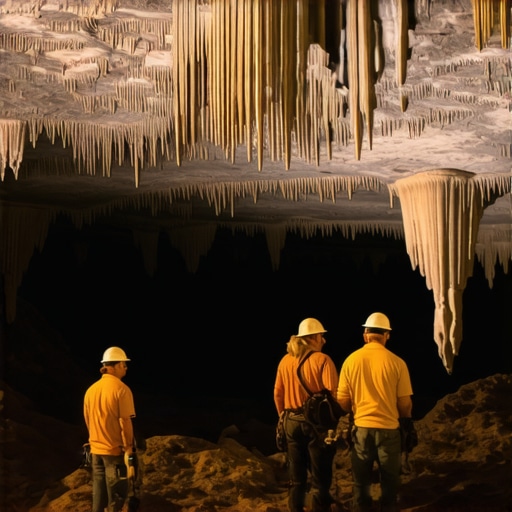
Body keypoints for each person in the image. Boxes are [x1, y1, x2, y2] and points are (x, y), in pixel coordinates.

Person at [337, 312, 414, 512]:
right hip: (389, 429)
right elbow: (405, 404)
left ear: (365, 335)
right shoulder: (397, 363)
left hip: (361, 429)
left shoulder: (350, 361)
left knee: (361, 482)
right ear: (387, 335)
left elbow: (343, 402)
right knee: (390, 481)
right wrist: (406, 423)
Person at [274, 318, 340, 512]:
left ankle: (296, 508)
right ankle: (320, 507)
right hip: (316, 426)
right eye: (321, 336)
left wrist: (282, 417)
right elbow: (334, 394)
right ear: (312, 338)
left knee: (297, 477)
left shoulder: (285, 360)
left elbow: (277, 393)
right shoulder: (323, 360)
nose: (324, 340)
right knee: (321, 475)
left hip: (290, 423)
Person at [84, 346, 136, 512]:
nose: (126, 368)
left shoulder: (91, 390)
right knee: (116, 497)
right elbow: (125, 422)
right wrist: (128, 447)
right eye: (125, 365)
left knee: (98, 497)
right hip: (114, 452)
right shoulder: (121, 389)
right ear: (119, 365)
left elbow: (88, 420)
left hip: (96, 451)